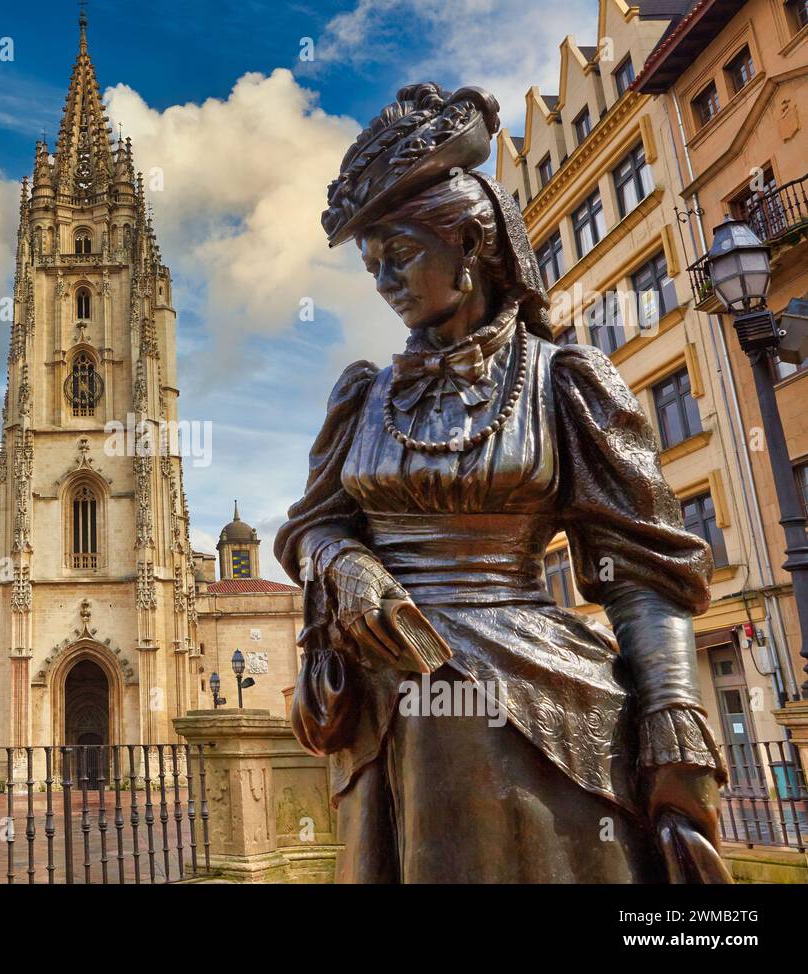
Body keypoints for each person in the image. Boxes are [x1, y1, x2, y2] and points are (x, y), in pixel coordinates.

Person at [278, 82, 728, 883]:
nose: (384, 281)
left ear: (475, 243)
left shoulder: (565, 383)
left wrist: (672, 715)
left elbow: (644, 573)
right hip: (388, 702)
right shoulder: (364, 395)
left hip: (529, 686)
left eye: (402, 253)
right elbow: (312, 525)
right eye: (373, 263)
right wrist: (343, 565)